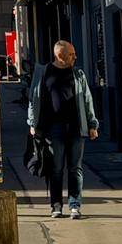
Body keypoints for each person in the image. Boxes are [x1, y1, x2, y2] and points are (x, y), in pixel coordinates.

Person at [28, 40, 99, 217]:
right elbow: (33, 99)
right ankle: (57, 205)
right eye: (71, 54)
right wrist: (32, 123)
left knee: (75, 168)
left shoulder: (78, 74)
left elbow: (87, 100)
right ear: (60, 56)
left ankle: (74, 205)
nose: (75, 57)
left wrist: (92, 125)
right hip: (53, 129)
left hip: (76, 127)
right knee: (56, 169)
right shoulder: (44, 73)